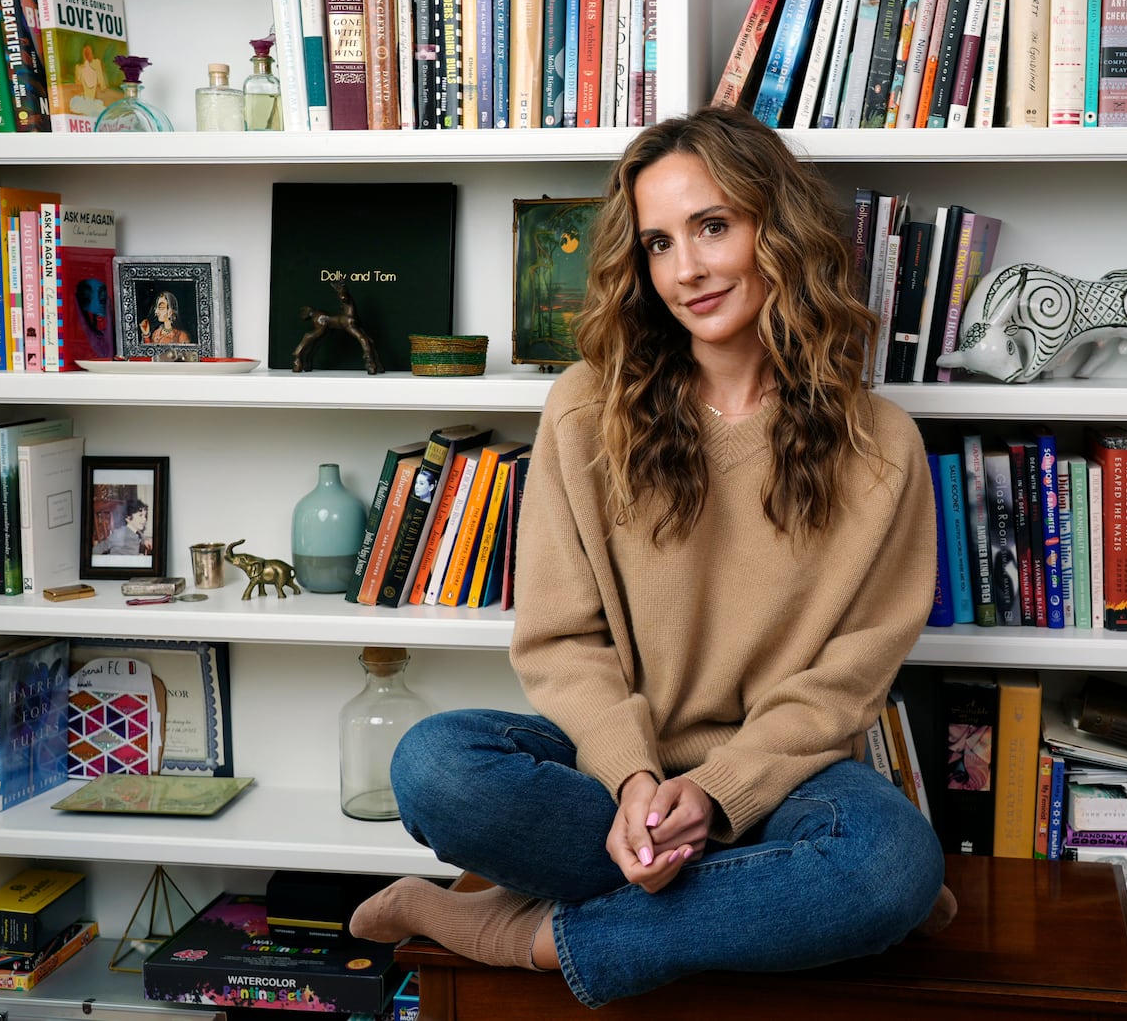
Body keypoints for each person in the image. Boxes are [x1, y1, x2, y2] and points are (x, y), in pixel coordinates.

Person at [349, 104, 950, 1008]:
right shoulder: (587, 408)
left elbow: (849, 676)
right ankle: (775, 898)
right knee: (433, 764)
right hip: (610, 779)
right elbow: (561, 640)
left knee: (888, 864)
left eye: (713, 226)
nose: (688, 270)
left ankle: (522, 932)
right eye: (659, 243)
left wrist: (717, 791)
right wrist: (636, 778)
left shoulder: (881, 443)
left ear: (776, 228)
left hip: (783, 779)